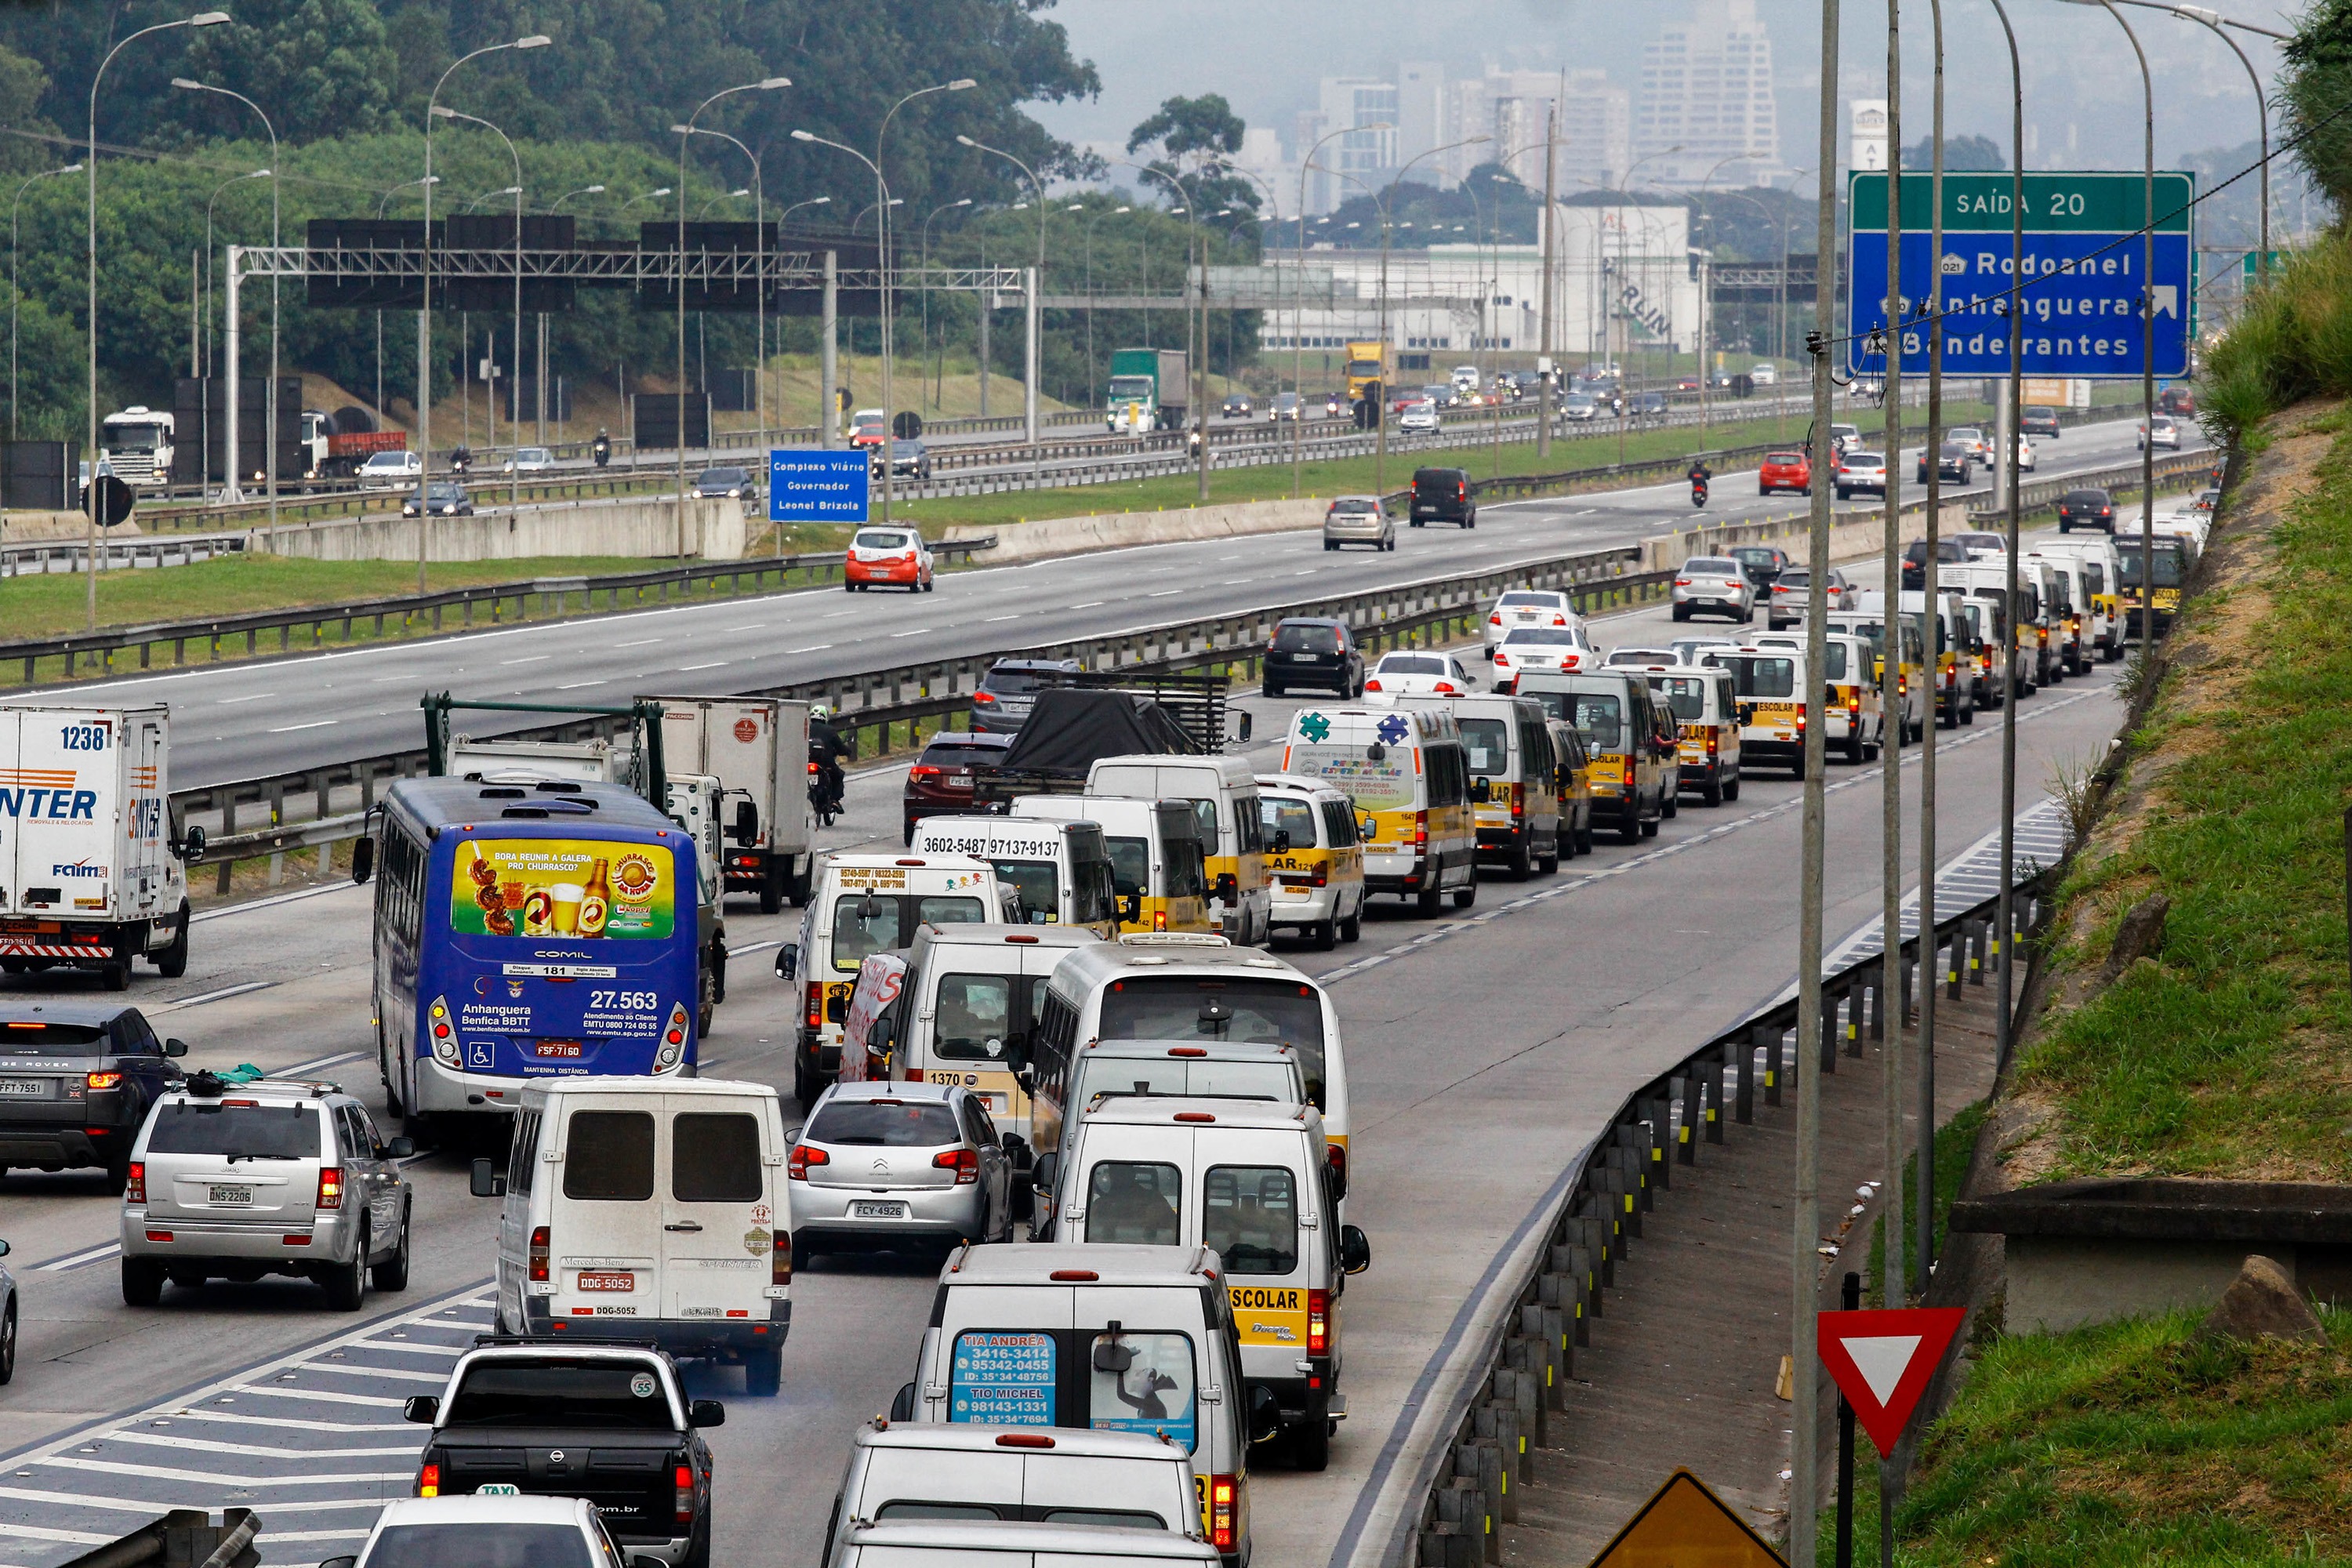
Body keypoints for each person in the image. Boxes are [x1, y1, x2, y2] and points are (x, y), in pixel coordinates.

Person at [808, 704, 847, 820]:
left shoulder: (805, 729)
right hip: (826, 764)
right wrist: (847, 751)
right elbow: (840, 748)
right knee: (839, 775)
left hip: (806, 762)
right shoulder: (830, 730)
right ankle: (834, 800)